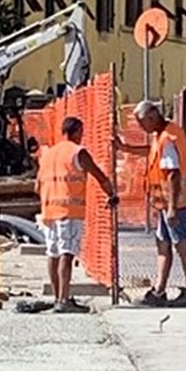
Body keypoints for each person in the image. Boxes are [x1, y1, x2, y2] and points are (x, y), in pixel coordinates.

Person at [117, 100, 186, 308]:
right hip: (166, 203)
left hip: (176, 202)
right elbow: (151, 151)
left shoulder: (168, 139)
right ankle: (159, 290)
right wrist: (126, 148)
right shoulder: (162, 135)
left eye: (141, 122)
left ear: (152, 117)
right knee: (163, 243)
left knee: (180, 243)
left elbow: (173, 174)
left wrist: (172, 208)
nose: (141, 127)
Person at [36, 116, 118, 313]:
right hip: (69, 211)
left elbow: (36, 185)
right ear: (76, 132)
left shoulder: (48, 154)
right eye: (81, 132)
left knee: (53, 252)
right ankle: (64, 301)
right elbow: (99, 176)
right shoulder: (78, 152)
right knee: (67, 252)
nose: (82, 137)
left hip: (49, 211)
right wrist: (112, 195)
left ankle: (58, 297)